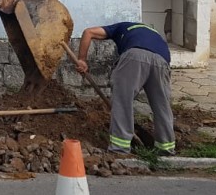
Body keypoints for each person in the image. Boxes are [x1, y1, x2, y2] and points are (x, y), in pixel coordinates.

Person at [74, 22, 176, 156]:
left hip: (134, 55)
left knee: (123, 101)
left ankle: (120, 149)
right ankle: (166, 148)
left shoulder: (121, 27)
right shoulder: (155, 34)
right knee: (162, 105)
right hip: (162, 61)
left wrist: (82, 59)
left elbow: (89, 32)